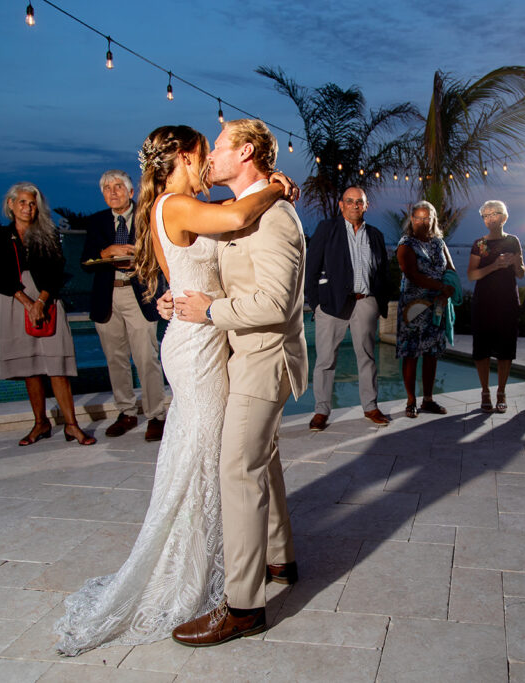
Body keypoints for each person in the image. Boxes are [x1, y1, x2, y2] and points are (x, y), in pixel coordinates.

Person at [55, 125, 296, 655]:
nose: (210, 158)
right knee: (212, 459)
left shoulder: (182, 204)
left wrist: (173, 302)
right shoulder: (179, 204)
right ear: (185, 157)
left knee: (217, 456)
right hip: (199, 344)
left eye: (217, 149)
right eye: (204, 152)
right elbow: (234, 221)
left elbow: (184, 278)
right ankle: (206, 579)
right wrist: (276, 186)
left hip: (203, 334)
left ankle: (254, 562)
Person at [171, 118, 307, 647]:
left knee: (238, 470)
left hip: (264, 357)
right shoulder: (243, 210)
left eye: (220, 145)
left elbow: (276, 303)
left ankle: (244, 607)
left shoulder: (274, 216)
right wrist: (184, 304)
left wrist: (210, 312)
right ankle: (280, 560)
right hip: (240, 353)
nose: (211, 155)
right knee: (263, 460)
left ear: (246, 151)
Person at [0, 182, 95, 447]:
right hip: (14, 301)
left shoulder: (46, 233)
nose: (27, 207)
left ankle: (72, 425)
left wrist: (41, 302)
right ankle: (40, 423)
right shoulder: (0, 235)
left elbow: (58, 269)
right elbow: (0, 273)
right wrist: (26, 302)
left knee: (57, 367)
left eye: (32, 203)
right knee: (30, 368)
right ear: (10, 205)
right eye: (22, 202)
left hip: (46, 300)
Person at [81, 170, 167, 442]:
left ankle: (156, 415)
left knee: (146, 357)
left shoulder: (147, 216)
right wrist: (106, 253)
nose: (113, 192)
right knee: (115, 360)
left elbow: (162, 253)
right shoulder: (96, 222)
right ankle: (127, 412)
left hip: (139, 295)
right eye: (107, 188)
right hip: (108, 298)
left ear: (131, 192)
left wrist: (138, 256)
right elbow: (85, 262)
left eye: (119, 187)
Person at [305, 186, 390, 431]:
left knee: (367, 357)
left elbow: (383, 271)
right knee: (325, 359)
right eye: (349, 201)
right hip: (332, 304)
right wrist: (316, 303)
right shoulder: (327, 229)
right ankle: (321, 410)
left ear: (366, 205)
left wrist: (379, 301)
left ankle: (370, 406)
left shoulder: (375, 235)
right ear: (341, 205)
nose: (354, 205)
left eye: (359, 202)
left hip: (365, 301)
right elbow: (311, 269)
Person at [396, 201, 456, 418]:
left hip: (437, 306)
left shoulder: (439, 243)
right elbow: (411, 274)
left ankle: (428, 400)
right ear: (412, 219)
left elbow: (450, 268)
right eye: (418, 218)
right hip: (414, 307)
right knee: (411, 353)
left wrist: (450, 286)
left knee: (432, 353)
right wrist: (440, 285)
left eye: (427, 217)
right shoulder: (406, 244)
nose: (423, 222)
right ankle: (411, 401)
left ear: (433, 219)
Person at [467, 200, 525, 413]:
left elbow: (521, 273)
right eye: (486, 215)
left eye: (495, 213)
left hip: (507, 302)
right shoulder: (479, 244)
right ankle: (485, 391)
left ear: (504, 217)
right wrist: (494, 266)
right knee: (481, 350)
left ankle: (501, 391)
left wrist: (514, 263)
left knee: (505, 349)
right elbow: (471, 274)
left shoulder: (513, 241)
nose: (490, 218)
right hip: (484, 303)